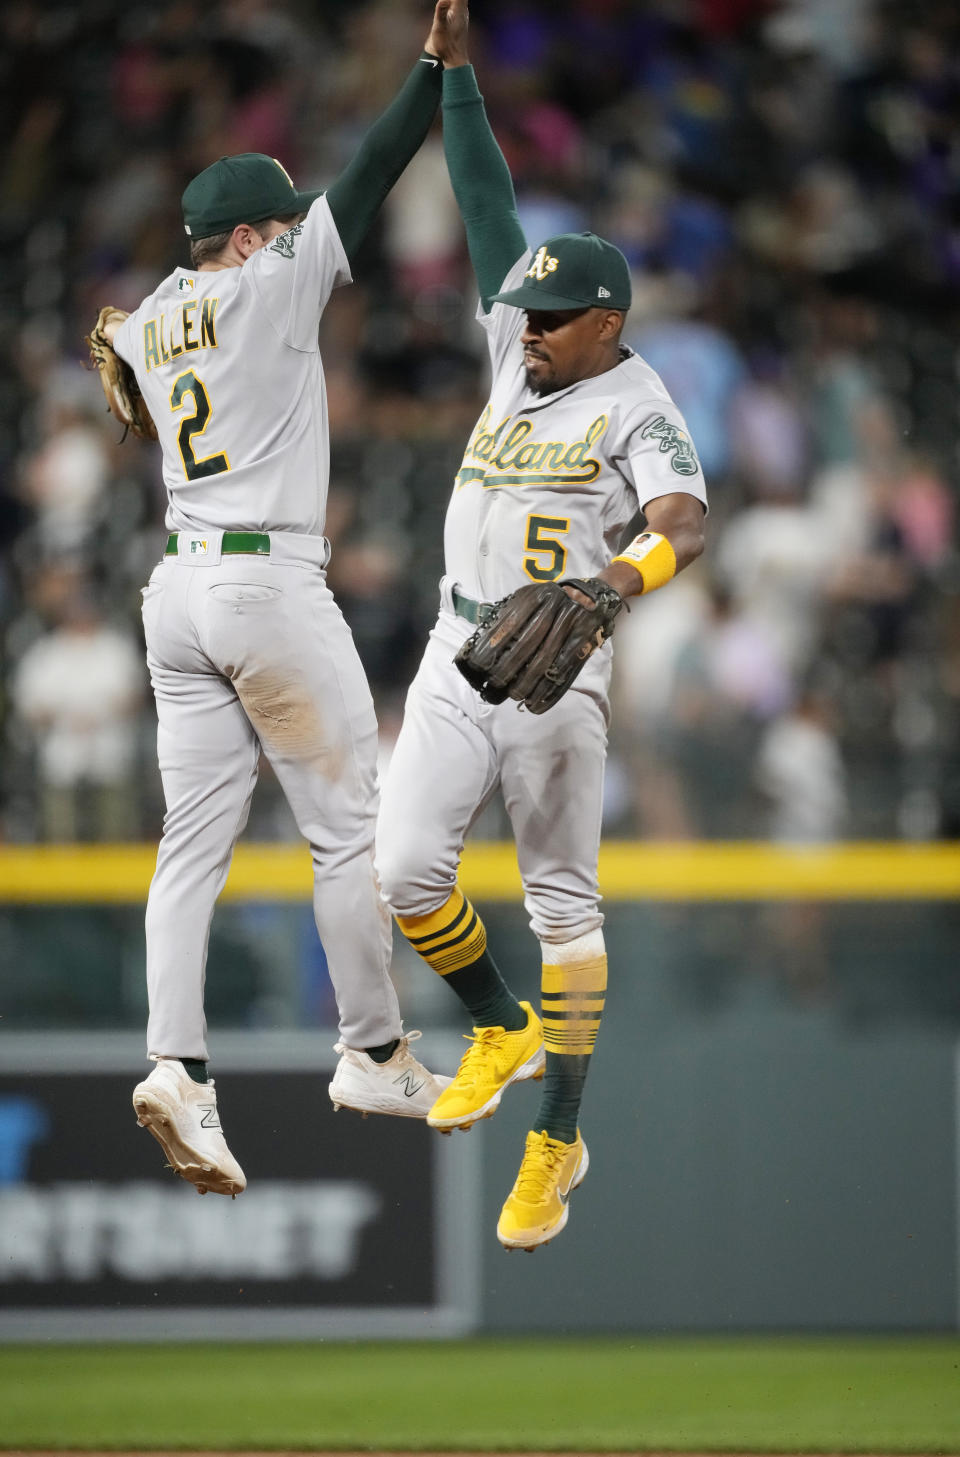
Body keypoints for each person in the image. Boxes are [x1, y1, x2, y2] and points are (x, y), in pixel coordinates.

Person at [99, 2, 469, 1197]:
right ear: (256, 235)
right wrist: (428, 72)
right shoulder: (269, 279)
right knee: (346, 829)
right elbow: (369, 175)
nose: (301, 232)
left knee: (189, 844)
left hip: (176, 592)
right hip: (268, 583)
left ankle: (178, 1062)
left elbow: (134, 333)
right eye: (281, 222)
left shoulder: (154, 314)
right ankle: (371, 1048)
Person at [375, 9, 707, 1251]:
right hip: (461, 651)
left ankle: (557, 1136)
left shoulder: (636, 397)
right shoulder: (523, 359)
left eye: (553, 318)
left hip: (557, 669)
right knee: (402, 869)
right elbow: (485, 212)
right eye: (525, 313)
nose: (527, 326)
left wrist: (615, 584)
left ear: (608, 323)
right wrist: (458, 83)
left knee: (567, 911)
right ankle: (499, 1023)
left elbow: (685, 515)